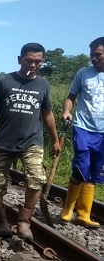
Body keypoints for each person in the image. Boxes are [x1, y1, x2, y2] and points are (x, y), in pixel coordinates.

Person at [0, 43, 60, 240]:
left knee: (36, 178)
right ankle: (0, 219)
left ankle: (24, 220)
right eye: (29, 61)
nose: (33, 65)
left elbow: (47, 114)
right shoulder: (5, 81)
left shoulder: (43, 85)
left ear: (42, 62)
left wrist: (55, 140)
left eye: (38, 61)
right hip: (4, 141)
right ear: (19, 59)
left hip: (32, 140)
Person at [60, 37, 104, 228]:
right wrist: (66, 111)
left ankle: (84, 214)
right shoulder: (83, 73)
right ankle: (68, 208)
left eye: (98, 54)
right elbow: (71, 96)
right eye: (92, 54)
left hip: (102, 133)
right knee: (81, 166)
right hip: (83, 127)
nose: (93, 58)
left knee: (95, 170)